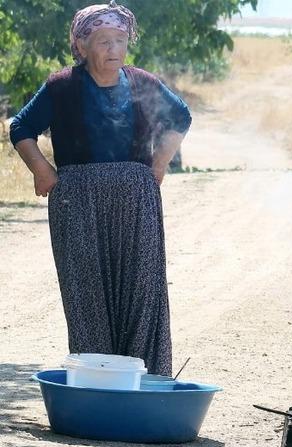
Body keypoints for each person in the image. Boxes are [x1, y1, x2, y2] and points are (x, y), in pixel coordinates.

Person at [9, 1, 191, 376]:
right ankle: (97, 379)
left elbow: (180, 117)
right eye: (103, 41)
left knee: (140, 292)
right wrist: (42, 169)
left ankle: (144, 378)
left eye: (120, 40)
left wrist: (158, 164)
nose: (113, 50)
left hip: (136, 200)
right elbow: (21, 128)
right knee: (87, 294)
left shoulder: (142, 82)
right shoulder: (61, 87)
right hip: (77, 202)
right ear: (81, 46)